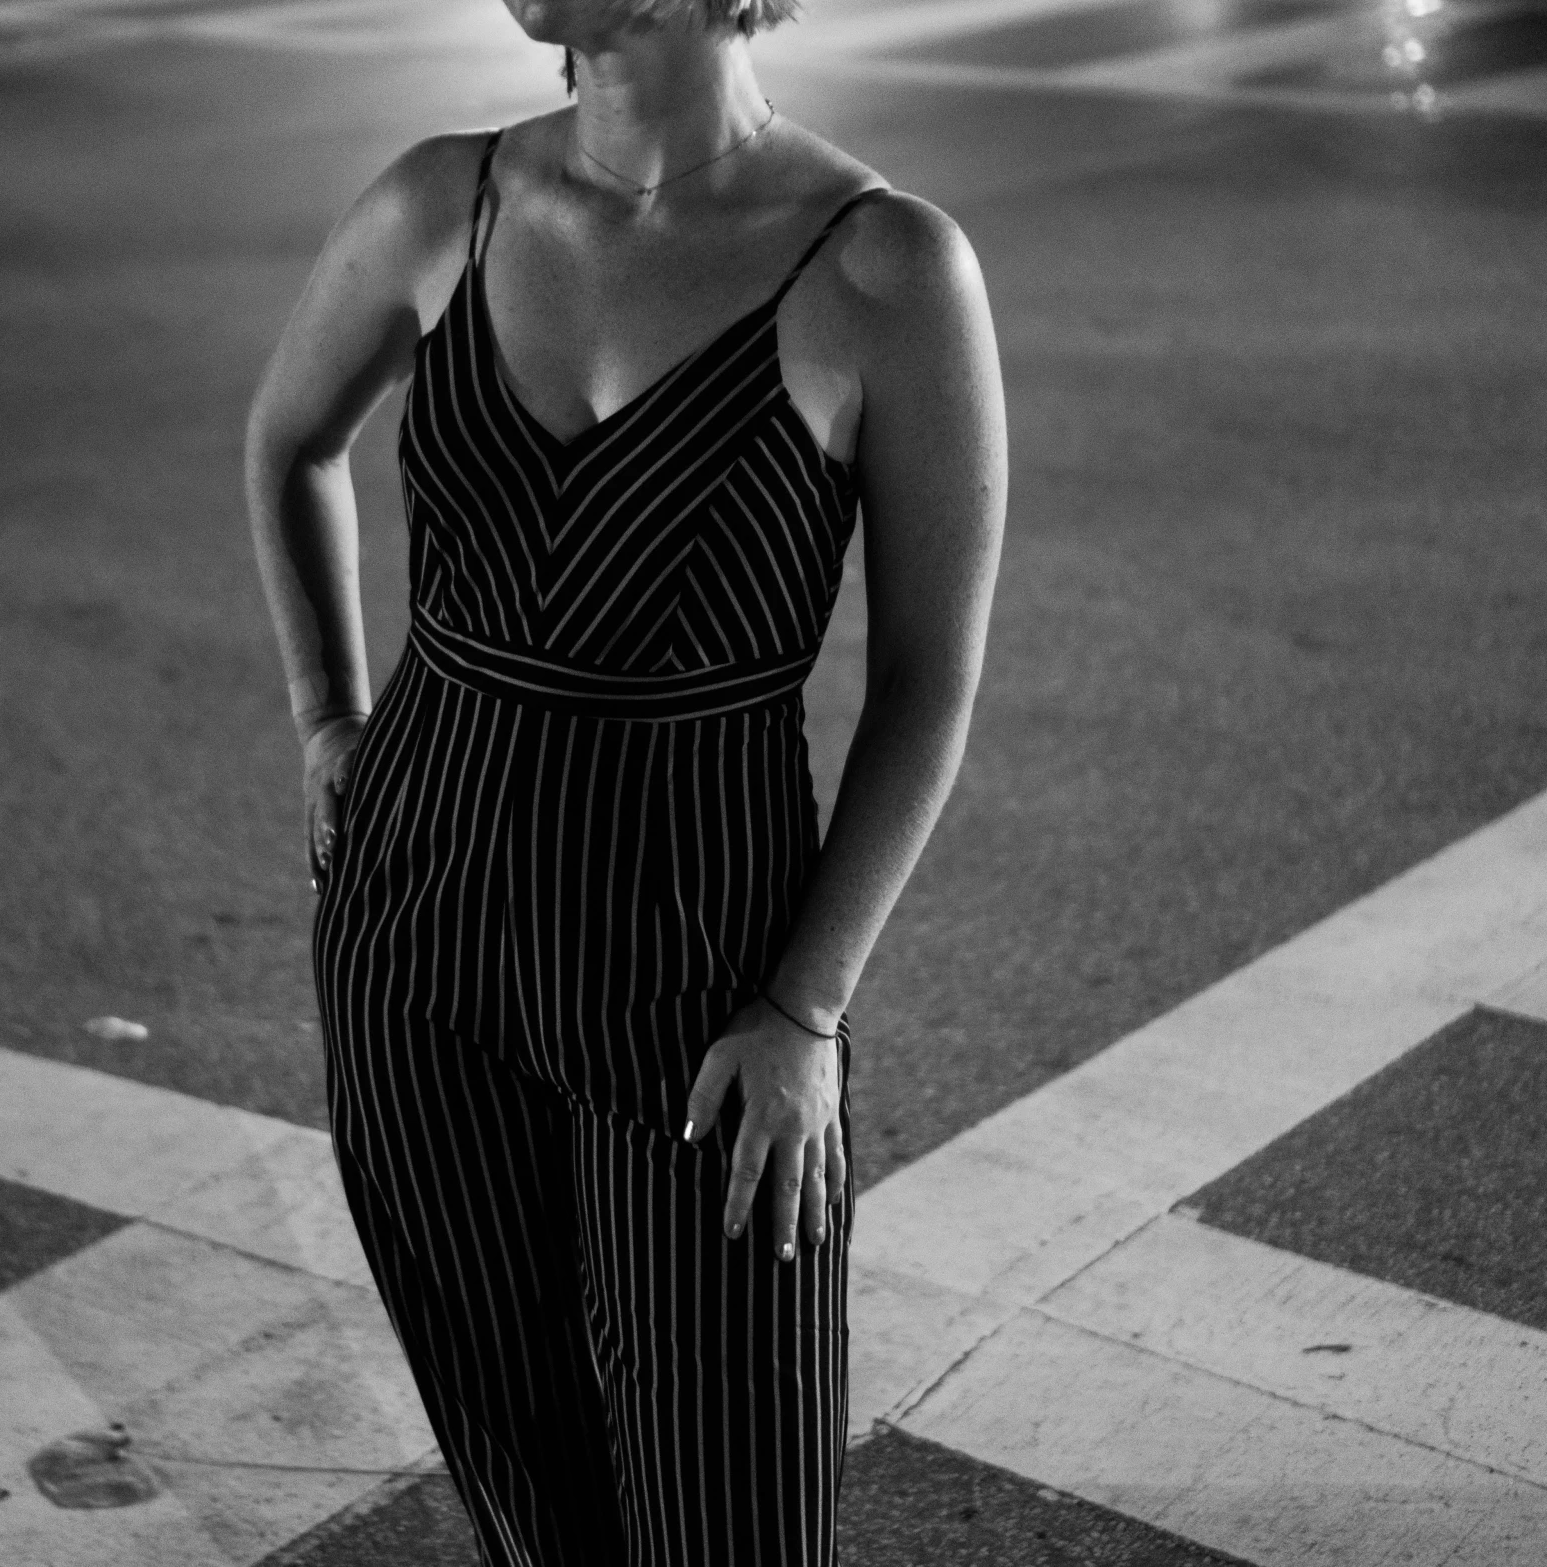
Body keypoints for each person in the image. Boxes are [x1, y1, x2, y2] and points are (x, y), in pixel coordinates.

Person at [243, 0, 1004, 1553]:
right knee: (534, 1503)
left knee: (731, 1508)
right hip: (412, 946)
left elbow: (926, 685)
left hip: (701, 971)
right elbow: (288, 440)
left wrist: (805, 1007)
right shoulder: (439, 203)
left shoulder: (881, 266)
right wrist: (329, 713)